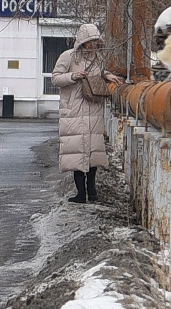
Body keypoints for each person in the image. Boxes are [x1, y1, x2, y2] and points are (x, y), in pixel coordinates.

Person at [51, 24, 122, 203]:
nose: (93, 45)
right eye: (90, 41)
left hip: (93, 109)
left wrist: (107, 75)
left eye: (95, 41)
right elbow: (55, 78)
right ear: (82, 40)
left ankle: (93, 192)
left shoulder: (98, 58)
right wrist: (73, 76)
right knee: (76, 154)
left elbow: (98, 74)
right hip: (74, 111)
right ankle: (81, 193)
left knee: (92, 153)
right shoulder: (68, 56)